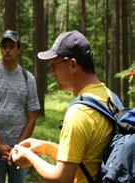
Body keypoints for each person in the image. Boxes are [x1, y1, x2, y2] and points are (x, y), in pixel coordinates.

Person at [10, 30, 117, 183]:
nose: (52, 72)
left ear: (73, 65)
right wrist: (45, 147)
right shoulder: (109, 96)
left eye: (54, 65)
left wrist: (30, 157)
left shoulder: (79, 113)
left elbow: (61, 178)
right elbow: (87, 157)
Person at [0, 30, 40, 183]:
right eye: (4, 46)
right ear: (0, 49)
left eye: (11, 46)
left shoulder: (28, 78)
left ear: (19, 49)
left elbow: (32, 117)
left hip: (19, 149)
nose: (7, 50)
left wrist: (19, 147)